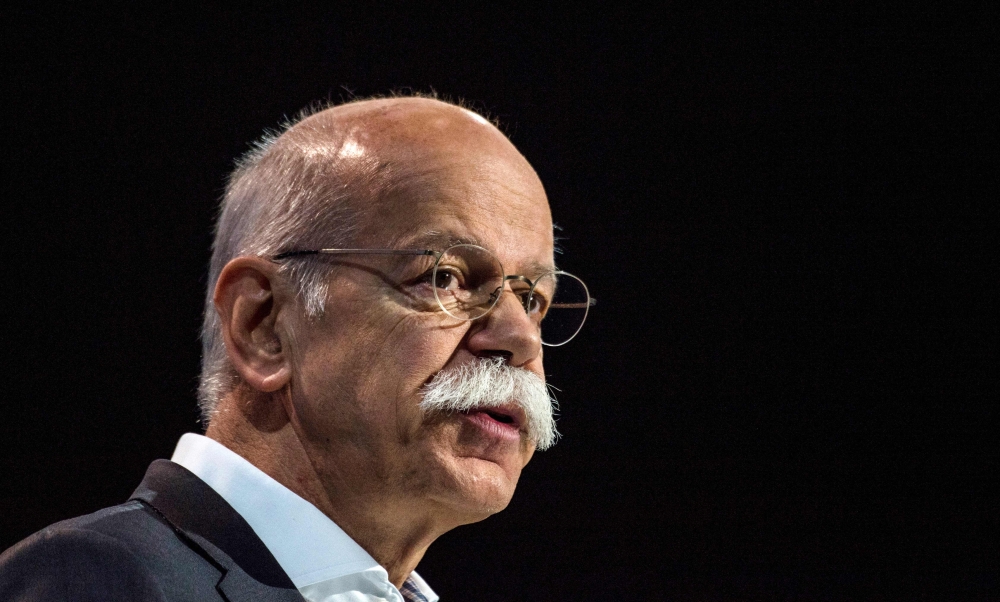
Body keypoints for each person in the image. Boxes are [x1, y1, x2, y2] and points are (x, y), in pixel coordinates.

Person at [0, 96, 592, 601]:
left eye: (533, 299)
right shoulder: (100, 580)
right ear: (263, 325)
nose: (518, 339)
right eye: (444, 277)